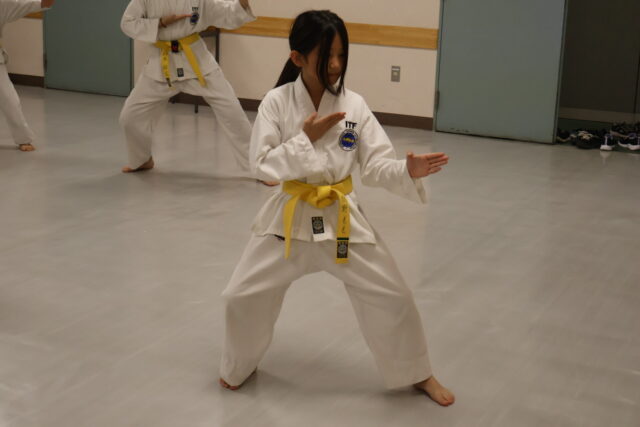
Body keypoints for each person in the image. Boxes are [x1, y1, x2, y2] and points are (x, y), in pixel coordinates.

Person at [218, 10, 455, 406]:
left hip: (341, 220)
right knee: (240, 295)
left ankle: (418, 372)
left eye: (341, 55)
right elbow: (260, 165)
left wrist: (406, 169)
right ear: (297, 58)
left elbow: (375, 165)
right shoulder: (277, 102)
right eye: (326, 56)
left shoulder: (354, 106)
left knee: (394, 294)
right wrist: (304, 140)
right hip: (290, 218)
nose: (335, 65)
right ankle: (238, 364)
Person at [119, 0, 257, 175]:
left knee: (232, 112)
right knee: (130, 117)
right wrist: (160, 23)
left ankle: (258, 167)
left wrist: (242, 3)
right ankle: (142, 159)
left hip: (197, 62)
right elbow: (127, 23)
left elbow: (226, 13)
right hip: (160, 64)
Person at [0, 0, 54, 151]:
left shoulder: (2, 5)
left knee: (9, 99)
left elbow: (40, 4)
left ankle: (23, 138)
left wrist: (45, 3)